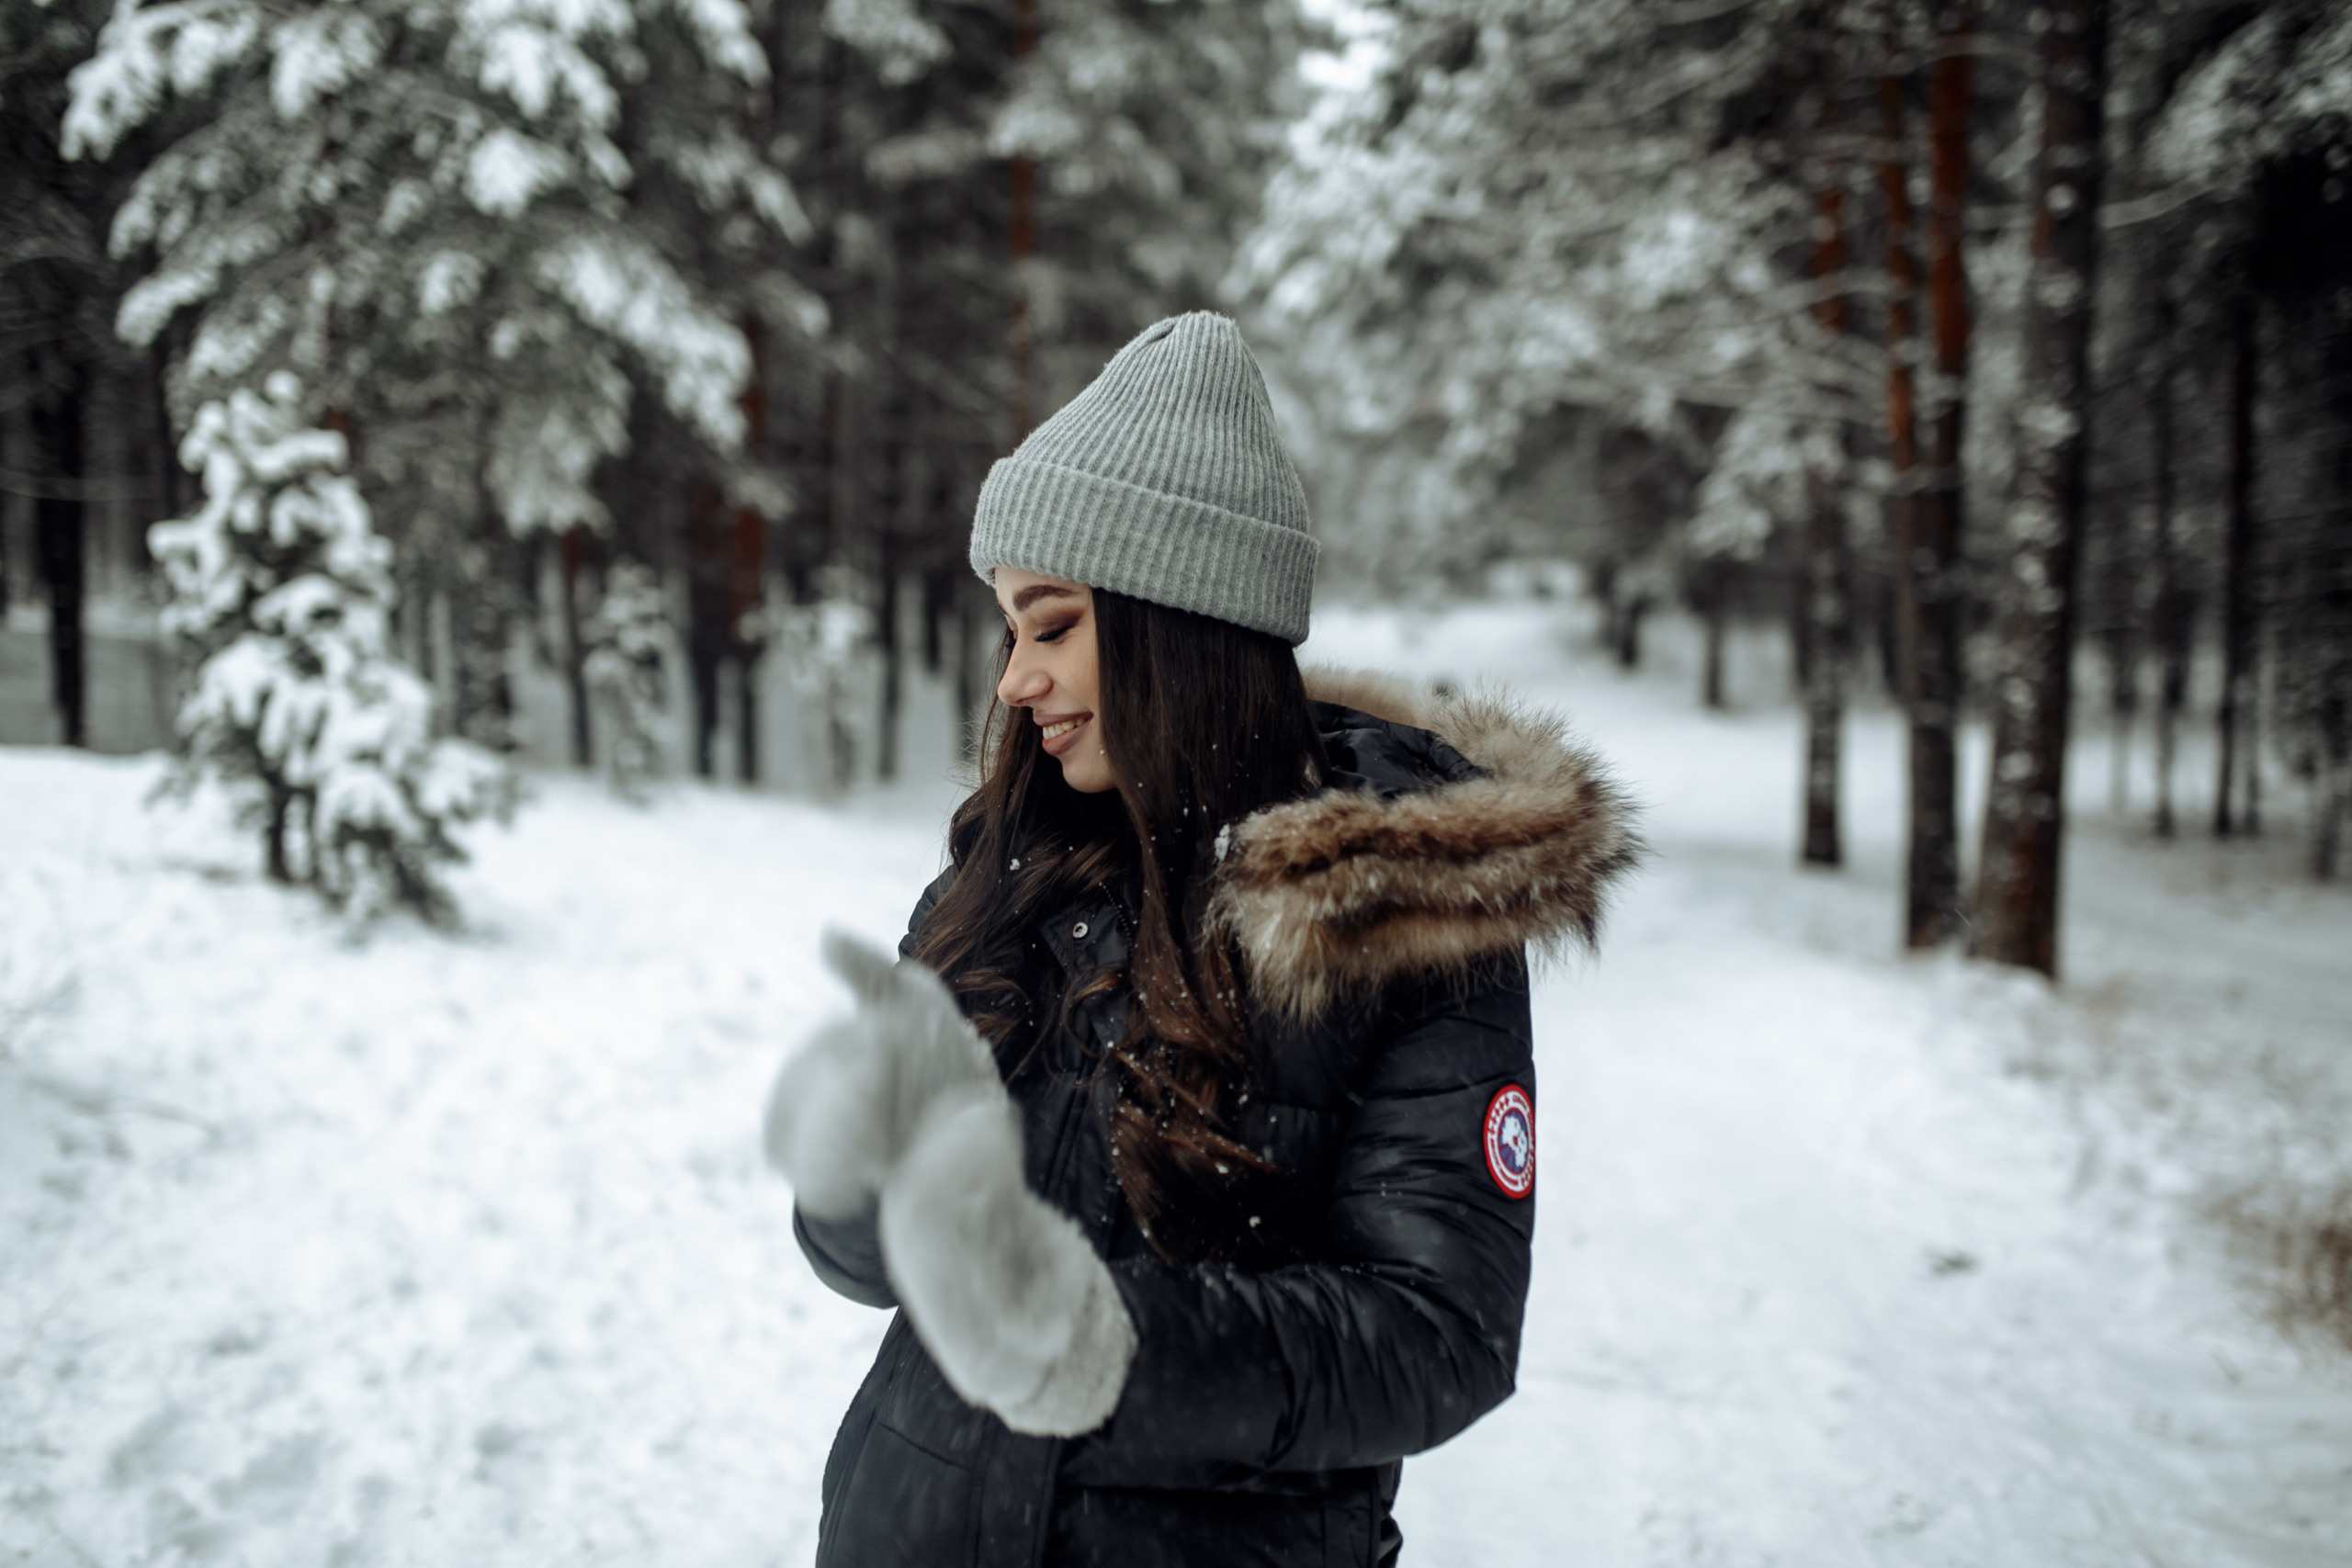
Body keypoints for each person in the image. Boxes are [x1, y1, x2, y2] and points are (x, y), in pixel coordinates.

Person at [765, 312, 1638, 1567]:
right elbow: (875, 1267)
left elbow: (1438, 1332)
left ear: (1176, 616)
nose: (1015, 679)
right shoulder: (1010, 866)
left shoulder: (1398, 911)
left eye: (1051, 625)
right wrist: (852, 1172)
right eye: (1010, 629)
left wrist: (1100, 1349)